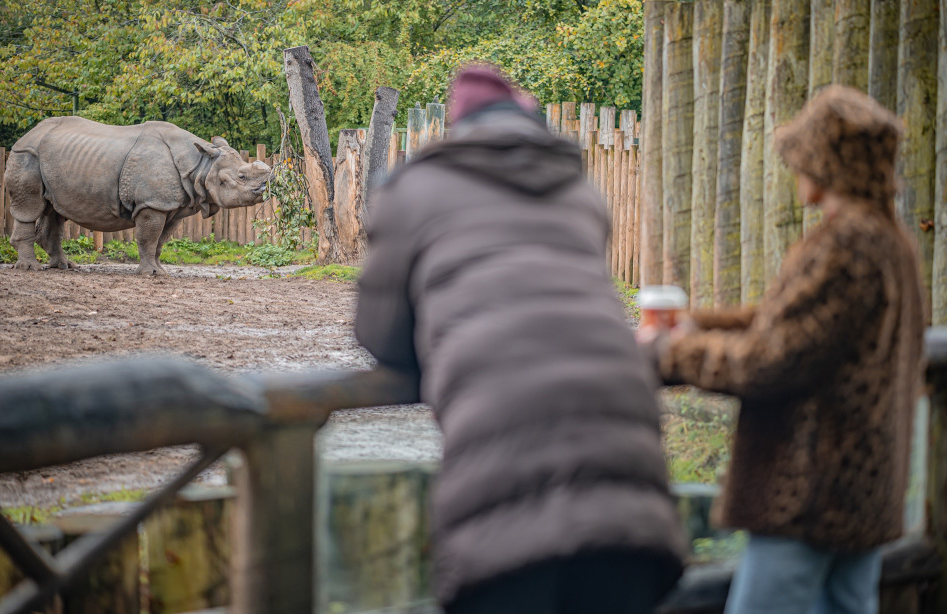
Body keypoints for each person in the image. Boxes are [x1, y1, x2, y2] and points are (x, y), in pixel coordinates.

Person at [355, 65, 686, 614]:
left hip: (501, 512)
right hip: (630, 499)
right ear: (528, 122)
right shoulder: (579, 188)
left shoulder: (415, 189)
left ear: (458, 126)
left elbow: (379, 332)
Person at [645, 85, 926, 614]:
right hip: (863, 488)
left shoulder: (845, 244)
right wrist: (696, 322)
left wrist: (670, 355)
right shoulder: (891, 241)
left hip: (809, 489)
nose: (796, 168)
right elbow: (791, 321)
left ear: (827, 165)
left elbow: (775, 357)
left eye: (804, 157)